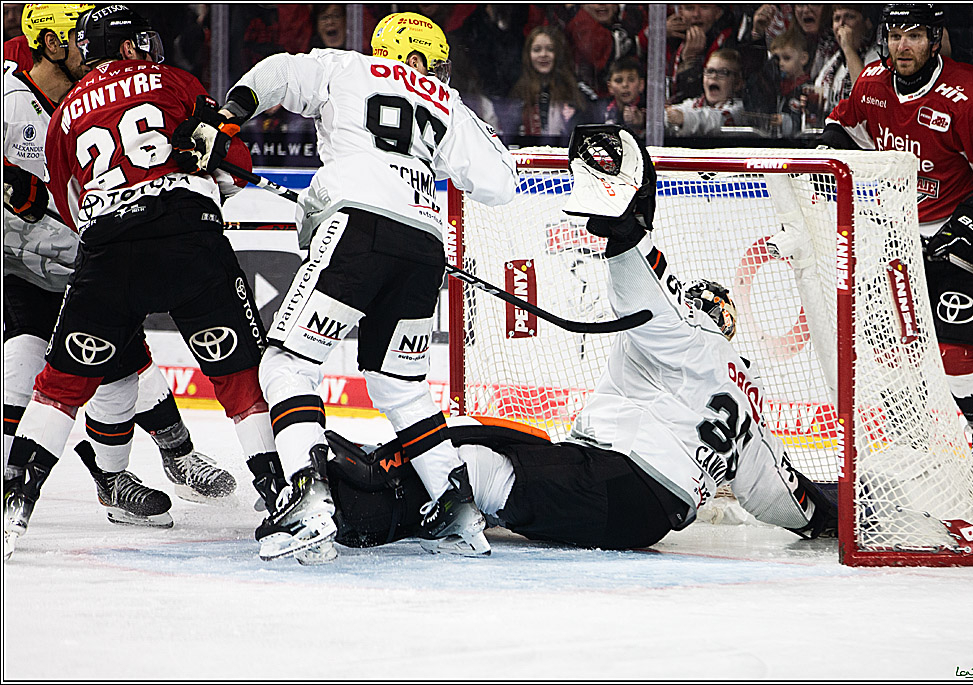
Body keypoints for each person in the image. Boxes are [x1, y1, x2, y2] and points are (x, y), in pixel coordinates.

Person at [314, 125, 837, 553]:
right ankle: (379, 464)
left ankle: (356, 510)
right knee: (472, 438)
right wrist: (827, 512)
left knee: (474, 470)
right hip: (631, 502)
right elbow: (777, 493)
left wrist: (624, 228)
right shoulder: (742, 399)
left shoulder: (689, 339)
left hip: (616, 480)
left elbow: (646, 301)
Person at [193, 11, 516, 561]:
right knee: (401, 385)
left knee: (285, 364)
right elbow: (502, 185)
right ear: (419, 57)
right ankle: (457, 507)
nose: (436, 71)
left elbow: (276, 71)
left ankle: (306, 497)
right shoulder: (449, 103)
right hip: (424, 243)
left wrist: (228, 117)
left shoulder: (347, 65)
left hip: (357, 229)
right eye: (433, 62)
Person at [4, 5, 278, 560]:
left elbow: (68, 202)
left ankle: (16, 503)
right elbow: (235, 158)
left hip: (101, 256)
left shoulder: (65, 114)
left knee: (67, 383)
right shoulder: (175, 80)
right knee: (239, 376)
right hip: (177, 245)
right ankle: (283, 496)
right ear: (128, 46)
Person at [817, 4, 973, 485]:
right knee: (891, 347)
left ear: (935, 38)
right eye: (894, 35)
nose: (902, 45)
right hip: (902, 232)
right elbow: (845, 126)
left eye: (914, 35)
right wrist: (826, 158)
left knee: (955, 351)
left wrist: (958, 229)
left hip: (971, 231)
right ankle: (910, 440)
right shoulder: (872, 83)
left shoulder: (971, 93)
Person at [508, 26, 589, 142]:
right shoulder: (519, 92)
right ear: (528, 55)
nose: (543, 54)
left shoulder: (573, 91)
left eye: (550, 49)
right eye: (537, 50)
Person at [813, 4, 878, 113]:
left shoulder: (878, 56)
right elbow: (818, 90)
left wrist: (848, 48)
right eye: (837, 18)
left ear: (867, 22)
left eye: (849, 17)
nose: (841, 24)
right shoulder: (835, 61)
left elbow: (866, 96)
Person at [665, 47, 745, 137]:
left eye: (723, 72)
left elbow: (715, 120)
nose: (714, 76)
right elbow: (674, 112)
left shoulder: (739, 110)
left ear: (737, 83)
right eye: (710, 71)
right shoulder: (694, 104)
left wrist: (685, 118)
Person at [600, 57, 646, 139]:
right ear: (610, 87)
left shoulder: (650, 111)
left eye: (631, 79)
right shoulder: (600, 111)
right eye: (618, 80)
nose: (625, 85)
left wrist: (642, 123)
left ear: (641, 84)